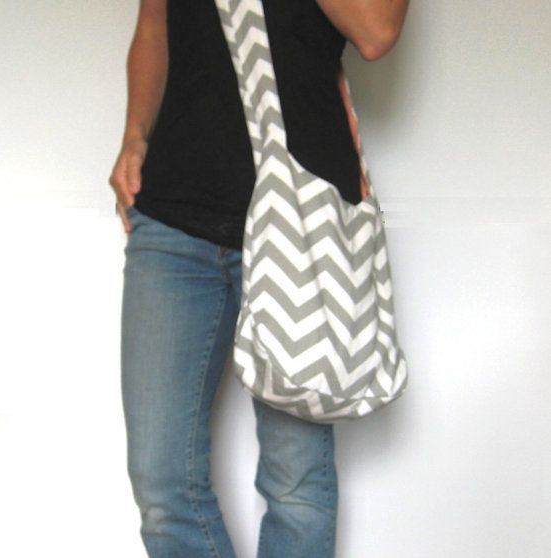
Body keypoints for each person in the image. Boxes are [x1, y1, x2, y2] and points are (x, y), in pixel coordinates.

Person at [108, 1, 409, 557]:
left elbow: (377, 30)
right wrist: (135, 133)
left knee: (296, 487)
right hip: (173, 213)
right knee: (162, 482)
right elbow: (155, 23)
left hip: (304, 218)